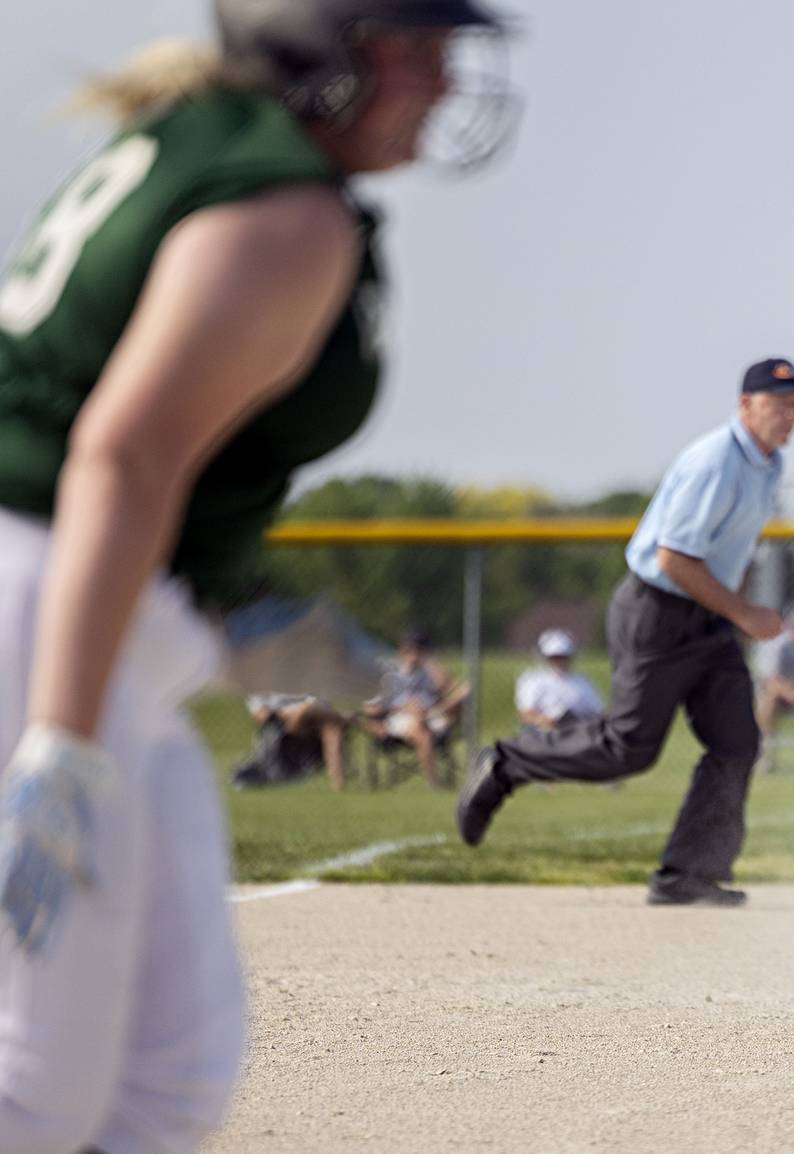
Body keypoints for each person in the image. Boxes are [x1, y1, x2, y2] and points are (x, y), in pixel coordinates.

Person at [0, 2, 515, 1150]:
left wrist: (221, 618)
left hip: (92, 601)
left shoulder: (219, 143)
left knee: (168, 1071)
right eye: (413, 46)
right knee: (35, 1087)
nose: (441, 78)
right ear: (321, 54)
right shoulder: (283, 205)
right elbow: (122, 453)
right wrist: (63, 740)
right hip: (43, 601)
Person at [457, 357, 794, 905]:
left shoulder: (767, 464)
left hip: (708, 616)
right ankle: (505, 763)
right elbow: (673, 558)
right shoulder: (715, 461)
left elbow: (731, 550)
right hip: (658, 610)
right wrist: (745, 614)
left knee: (737, 741)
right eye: (776, 404)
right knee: (627, 749)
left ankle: (687, 873)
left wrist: (734, 612)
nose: (788, 416)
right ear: (746, 405)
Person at [356, 629, 470, 788]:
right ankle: (433, 781)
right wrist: (403, 707)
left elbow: (455, 688)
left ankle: (432, 721)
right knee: (418, 724)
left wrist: (430, 664)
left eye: (421, 650)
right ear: (402, 650)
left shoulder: (430, 673)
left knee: (464, 694)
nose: (415, 654)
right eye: (411, 649)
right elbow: (370, 709)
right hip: (400, 720)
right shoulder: (389, 673)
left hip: (433, 715)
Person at [236, 693, 352, 790]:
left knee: (332, 731)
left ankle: (338, 783)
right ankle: (344, 719)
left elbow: (323, 701)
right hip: (284, 718)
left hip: (314, 715)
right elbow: (260, 709)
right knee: (308, 710)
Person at [753, 609, 794, 772]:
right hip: (782, 693)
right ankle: (765, 755)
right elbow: (772, 679)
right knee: (768, 697)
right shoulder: (779, 645)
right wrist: (791, 692)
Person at [514, 628, 604, 733]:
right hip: (543, 734)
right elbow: (526, 714)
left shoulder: (582, 683)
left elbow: (598, 712)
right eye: (555, 657)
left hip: (576, 733)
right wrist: (545, 721)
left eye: (563, 657)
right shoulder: (533, 681)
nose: (559, 661)